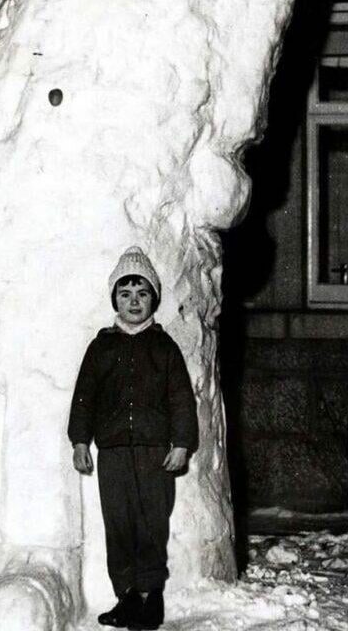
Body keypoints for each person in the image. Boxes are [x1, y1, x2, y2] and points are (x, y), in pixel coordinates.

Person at [68, 246, 198, 631]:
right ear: (115, 300)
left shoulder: (164, 348)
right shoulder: (101, 348)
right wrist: (79, 440)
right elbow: (84, 397)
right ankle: (126, 595)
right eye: (125, 294)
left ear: (153, 298)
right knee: (119, 523)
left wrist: (180, 443)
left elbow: (180, 399)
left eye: (142, 293)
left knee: (151, 523)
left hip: (154, 453)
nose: (134, 302)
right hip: (113, 453)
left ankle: (150, 596)